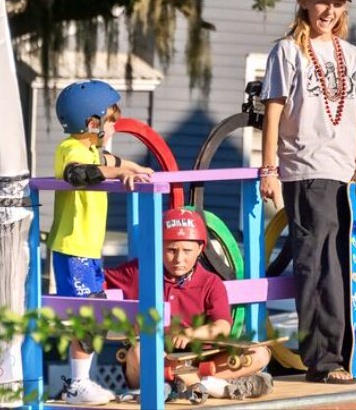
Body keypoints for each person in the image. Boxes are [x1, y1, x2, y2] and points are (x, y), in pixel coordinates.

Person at [259, 0, 356, 384]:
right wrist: (269, 167)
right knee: (317, 265)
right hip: (306, 170)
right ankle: (323, 359)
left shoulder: (354, 56)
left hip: (348, 175)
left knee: (354, 265)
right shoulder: (287, 51)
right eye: (321, 0)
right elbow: (273, 111)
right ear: (304, 3)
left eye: (336, 2)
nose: (328, 9)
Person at [48, 79, 154, 404]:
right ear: (92, 123)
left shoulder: (94, 150)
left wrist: (135, 168)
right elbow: (79, 174)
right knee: (86, 316)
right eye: (110, 122)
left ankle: (81, 382)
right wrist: (115, 172)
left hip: (88, 250)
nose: (114, 128)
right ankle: (77, 384)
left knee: (95, 317)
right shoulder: (71, 149)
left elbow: (110, 162)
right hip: (73, 248)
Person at [104, 207, 273, 401]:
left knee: (259, 353)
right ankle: (216, 387)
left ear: (201, 249)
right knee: (137, 352)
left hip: (201, 359)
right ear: (159, 246)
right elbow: (96, 284)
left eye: (187, 251)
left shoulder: (211, 282)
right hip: (157, 359)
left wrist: (190, 334)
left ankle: (190, 386)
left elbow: (222, 327)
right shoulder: (138, 272)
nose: (179, 259)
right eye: (171, 250)